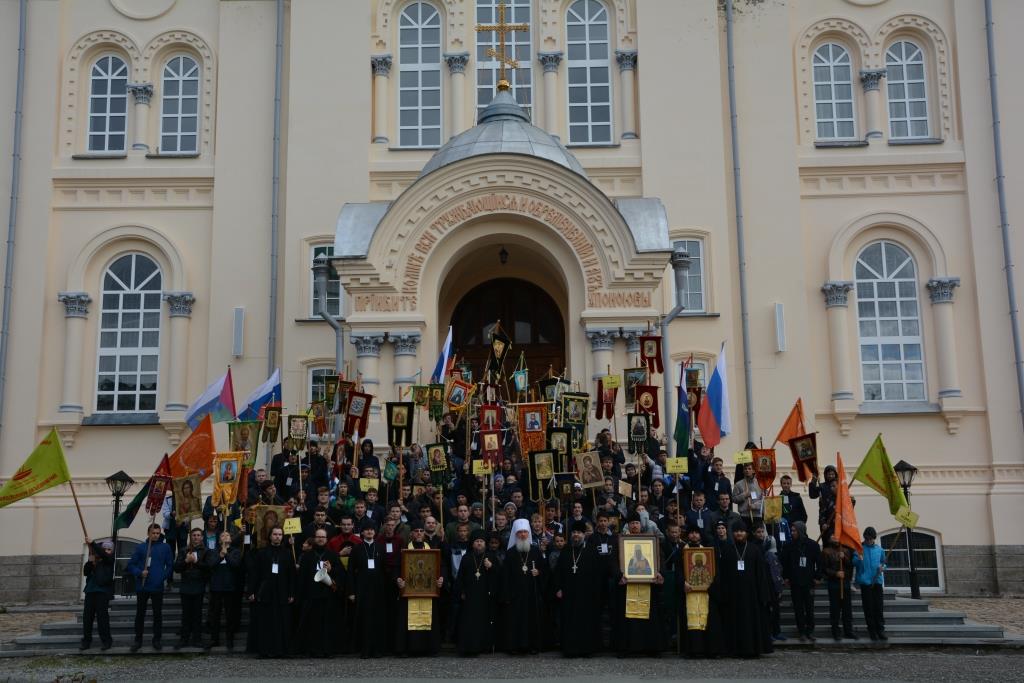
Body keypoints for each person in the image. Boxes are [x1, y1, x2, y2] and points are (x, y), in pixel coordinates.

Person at [712, 520, 773, 657]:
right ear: (732, 533)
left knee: (751, 622)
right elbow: (722, 574)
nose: (739, 533)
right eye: (736, 531)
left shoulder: (754, 550)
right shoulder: (728, 550)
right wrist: (723, 593)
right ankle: (735, 650)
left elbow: (761, 574)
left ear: (746, 533)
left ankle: (752, 650)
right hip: (733, 595)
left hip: (752, 596)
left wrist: (763, 594)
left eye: (742, 531)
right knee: (734, 623)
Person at [614, 513, 666, 656]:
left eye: (637, 523)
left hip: (648, 587)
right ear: (628, 526)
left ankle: (651, 648)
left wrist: (660, 573)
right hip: (627, 586)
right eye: (632, 523)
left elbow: (658, 561)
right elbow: (614, 563)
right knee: (629, 618)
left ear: (640, 525)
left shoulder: (650, 541)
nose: (635, 525)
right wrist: (620, 576)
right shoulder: (620, 542)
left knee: (649, 617)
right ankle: (628, 648)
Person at [553, 520, 606, 657]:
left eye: (579, 533)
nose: (576, 535)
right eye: (574, 532)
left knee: (586, 622)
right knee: (570, 621)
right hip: (569, 593)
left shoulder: (591, 551)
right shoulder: (565, 550)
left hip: (587, 594)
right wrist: (558, 588)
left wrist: (596, 593)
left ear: (584, 535)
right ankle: (570, 649)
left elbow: (598, 574)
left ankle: (587, 649)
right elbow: (558, 572)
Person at [500, 518, 548, 654]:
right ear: (515, 534)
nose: (522, 535)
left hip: (531, 593)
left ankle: (532, 646)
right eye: (520, 532)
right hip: (515, 595)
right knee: (515, 620)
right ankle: (514, 646)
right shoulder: (510, 554)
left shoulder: (535, 551)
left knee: (532, 620)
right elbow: (505, 576)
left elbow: (545, 570)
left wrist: (538, 572)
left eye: (525, 532)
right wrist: (506, 595)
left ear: (529, 534)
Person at [247, 526, 296, 658]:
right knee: (265, 623)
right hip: (265, 592)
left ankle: (281, 650)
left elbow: (292, 575)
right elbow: (255, 573)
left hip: (282, 592)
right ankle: (265, 650)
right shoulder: (262, 553)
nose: (277, 537)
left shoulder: (287, 553)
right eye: (275, 534)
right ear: (270, 536)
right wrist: (252, 591)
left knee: (282, 622)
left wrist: (291, 593)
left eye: (280, 534)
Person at [125, 523, 174, 652]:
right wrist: (139, 573)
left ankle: (157, 640)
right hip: (143, 586)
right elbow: (131, 565)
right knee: (140, 614)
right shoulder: (141, 547)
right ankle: (138, 640)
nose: (156, 535)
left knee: (157, 614)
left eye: (158, 533)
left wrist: (162, 578)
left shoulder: (165, 547)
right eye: (153, 533)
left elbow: (169, 566)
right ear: (148, 533)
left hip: (157, 586)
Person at [346, 519, 392, 658]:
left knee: (378, 619)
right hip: (362, 589)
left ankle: (377, 650)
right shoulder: (357, 549)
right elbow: (350, 571)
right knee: (365, 620)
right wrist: (351, 592)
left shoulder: (380, 547)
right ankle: (365, 650)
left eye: (372, 529)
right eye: (367, 530)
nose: (369, 532)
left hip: (378, 589)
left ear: (375, 532)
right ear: (362, 532)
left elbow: (385, 570)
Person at [296, 528, 344, 657]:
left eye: (323, 537)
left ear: (326, 539)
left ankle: (327, 650)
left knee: (328, 625)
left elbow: (341, 574)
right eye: (318, 537)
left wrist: (331, 569)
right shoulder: (307, 556)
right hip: (311, 596)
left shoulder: (333, 555)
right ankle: (313, 650)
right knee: (313, 624)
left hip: (328, 596)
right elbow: (302, 578)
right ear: (314, 538)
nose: (321, 539)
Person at [455, 529, 498, 656]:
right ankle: (468, 647)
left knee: (483, 621)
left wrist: (491, 567)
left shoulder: (491, 557)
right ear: (472, 544)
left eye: (481, 541)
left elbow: (499, 575)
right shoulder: (467, 558)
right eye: (477, 541)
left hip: (485, 595)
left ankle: (483, 646)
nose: (479, 544)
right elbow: (460, 577)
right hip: (470, 596)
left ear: (485, 544)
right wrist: (461, 591)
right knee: (469, 622)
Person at [780, 520, 821, 642]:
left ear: (801, 531)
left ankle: (810, 631)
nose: (792, 533)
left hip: (809, 582)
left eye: (794, 531)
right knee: (798, 608)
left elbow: (819, 563)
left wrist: (817, 577)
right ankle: (801, 631)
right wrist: (786, 577)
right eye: (791, 531)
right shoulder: (789, 546)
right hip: (795, 582)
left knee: (809, 608)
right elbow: (784, 563)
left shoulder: (813, 545)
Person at [173, 527, 211, 649]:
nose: (196, 537)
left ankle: (197, 639)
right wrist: (185, 560)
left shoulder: (206, 551)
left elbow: (208, 567)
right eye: (194, 535)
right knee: (186, 615)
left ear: (202, 537)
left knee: (197, 614)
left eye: (198, 535)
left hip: (199, 585)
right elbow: (177, 568)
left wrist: (196, 561)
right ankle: (184, 639)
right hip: (185, 586)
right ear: (191, 537)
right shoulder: (184, 550)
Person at [206, 530, 243, 650]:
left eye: (228, 535)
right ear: (219, 539)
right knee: (215, 615)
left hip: (230, 587)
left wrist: (226, 554)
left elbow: (236, 565)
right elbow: (210, 565)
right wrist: (220, 556)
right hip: (216, 587)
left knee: (230, 615)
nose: (225, 536)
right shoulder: (212, 552)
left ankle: (229, 639)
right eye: (222, 535)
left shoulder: (236, 552)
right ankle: (214, 639)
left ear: (231, 539)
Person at [80, 537, 115, 651]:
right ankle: (86, 641)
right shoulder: (95, 559)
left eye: (109, 549)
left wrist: (93, 543)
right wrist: (90, 562)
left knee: (102, 618)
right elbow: (86, 572)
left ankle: (106, 641)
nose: (106, 550)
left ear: (112, 551)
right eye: (104, 548)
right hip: (90, 591)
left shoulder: (109, 560)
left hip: (102, 592)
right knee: (87, 618)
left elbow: (104, 555)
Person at [821, 531, 858, 641]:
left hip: (845, 583)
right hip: (833, 584)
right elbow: (824, 569)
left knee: (847, 609)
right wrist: (835, 573)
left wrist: (845, 558)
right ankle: (836, 632)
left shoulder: (845, 551)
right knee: (835, 609)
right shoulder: (826, 552)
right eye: (833, 535)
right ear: (830, 538)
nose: (835, 537)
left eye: (837, 536)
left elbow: (850, 567)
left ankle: (848, 631)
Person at [853, 526, 887, 641]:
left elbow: (884, 562)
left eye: (870, 539)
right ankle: (872, 631)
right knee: (868, 608)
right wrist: (858, 558)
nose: (868, 541)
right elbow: (854, 562)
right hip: (866, 582)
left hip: (877, 581)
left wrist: (883, 568)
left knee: (879, 607)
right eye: (867, 539)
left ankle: (880, 630)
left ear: (874, 538)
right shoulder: (859, 549)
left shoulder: (879, 549)